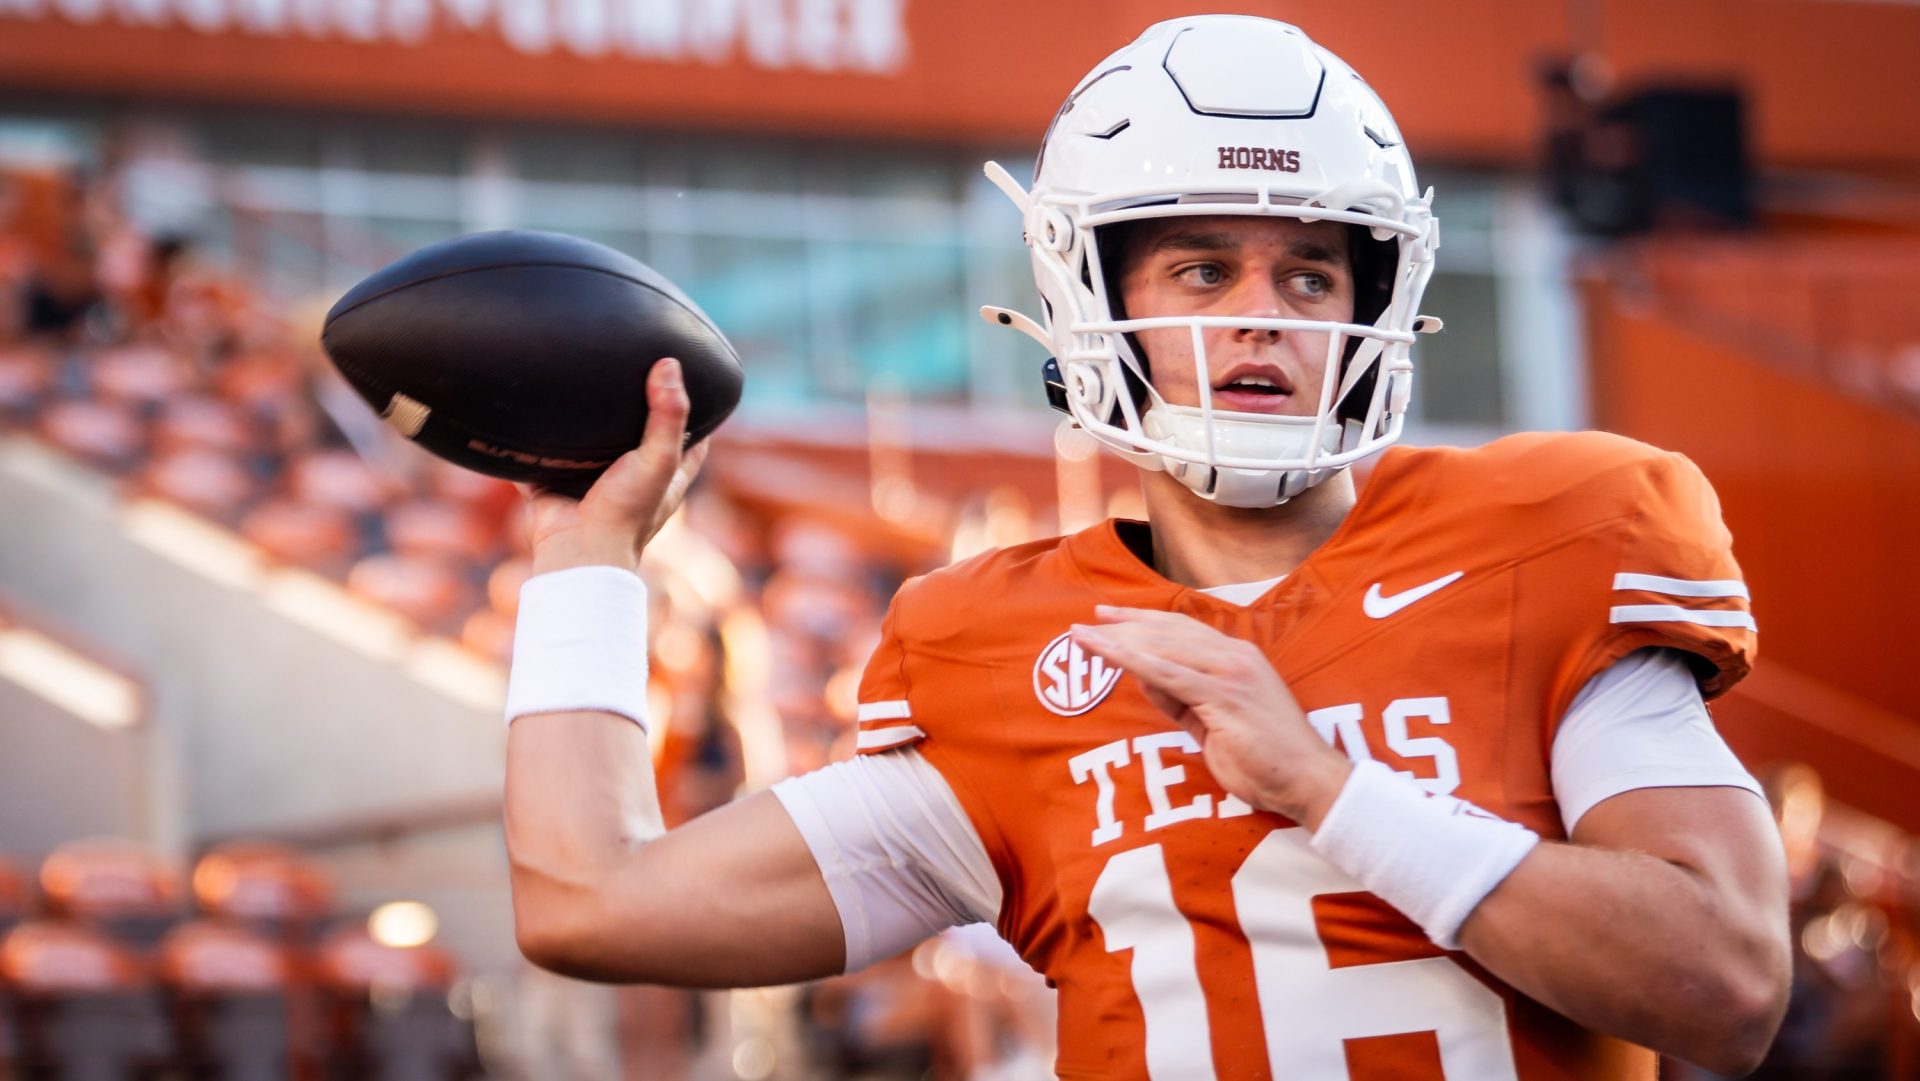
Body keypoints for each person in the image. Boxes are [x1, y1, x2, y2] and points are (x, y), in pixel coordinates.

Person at [501, 15, 1790, 1079]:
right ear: (1092, 303)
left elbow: (1727, 986)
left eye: (1309, 275)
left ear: (1373, 301)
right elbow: (592, 906)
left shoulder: (1548, 542)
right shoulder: (995, 654)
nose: (1263, 319)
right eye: (1200, 269)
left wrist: (1330, 792)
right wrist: (586, 564)